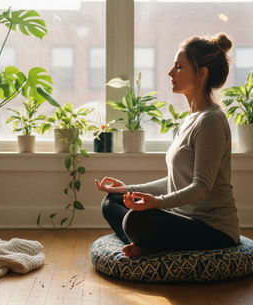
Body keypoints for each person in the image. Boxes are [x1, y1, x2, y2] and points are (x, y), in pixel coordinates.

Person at [95, 34, 240, 258]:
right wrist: (126, 190)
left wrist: (157, 203)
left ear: (202, 73)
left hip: (213, 229)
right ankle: (147, 244)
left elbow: (201, 187)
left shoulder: (210, 121)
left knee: (135, 218)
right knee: (111, 202)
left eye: (179, 67)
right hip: (181, 217)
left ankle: (148, 243)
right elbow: (174, 182)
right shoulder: (191, 117)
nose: (171, 73)